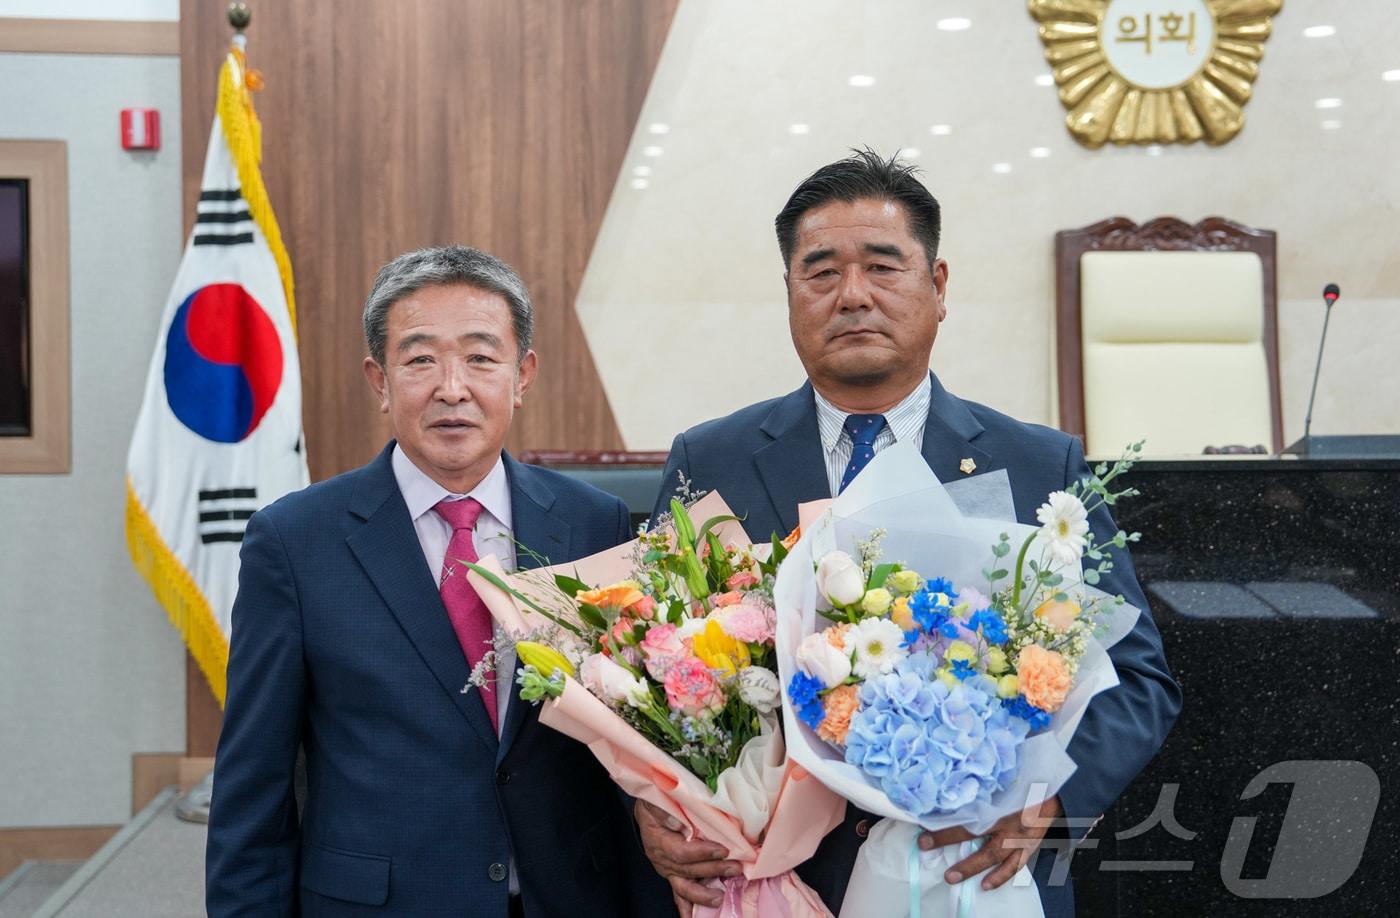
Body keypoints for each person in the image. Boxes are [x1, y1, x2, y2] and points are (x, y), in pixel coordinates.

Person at [636, 150, 1181, 917]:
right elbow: (652, 672)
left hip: (976, 876)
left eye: (883, 266)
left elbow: (1139, 682)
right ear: (789, 293)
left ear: (939, 286)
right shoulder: (712, 459)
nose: (852, 295)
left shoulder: (1035, 463)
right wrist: (657, 812)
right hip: (773, 884)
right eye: (820, 272)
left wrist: (1047, 800)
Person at [206, 246, 674, 917]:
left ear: (522, 375)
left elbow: (630, 753)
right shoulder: (295, 542)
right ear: (380, 379)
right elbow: (256, 785)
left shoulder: (591, 522)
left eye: (481, 357)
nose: (451, 387)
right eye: (420, 358)